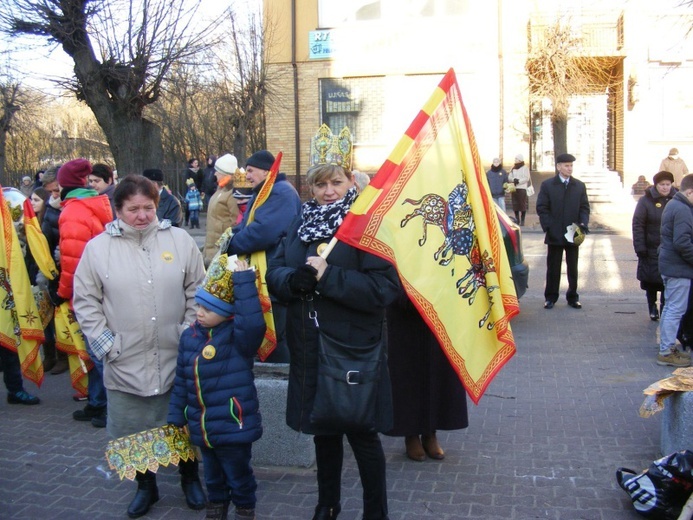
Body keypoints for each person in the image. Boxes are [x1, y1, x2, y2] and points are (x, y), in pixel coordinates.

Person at [266, 159, 400, 520]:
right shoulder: (301, 222)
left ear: (351, 182)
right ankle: (327, 506)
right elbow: (275, 269)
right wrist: (292, 281)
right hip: (310, 345)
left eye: (336, 183)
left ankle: (376, 512)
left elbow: (384, 288)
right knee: (323, 431)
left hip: (351, 349)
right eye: (320, 185)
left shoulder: (366, 225)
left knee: (361, 433)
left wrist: (330, 277)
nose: (328, 192)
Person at [72, 175, 207, 518]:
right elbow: (86, 302)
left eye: (148, 207)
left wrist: (189, 333)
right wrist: (107, 346)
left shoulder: (178, 241)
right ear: (118, 209)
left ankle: (190, 477)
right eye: (133, 209)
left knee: (180, 423)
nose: (143, 215)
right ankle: (146, 487)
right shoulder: (98, 248)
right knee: (135, 429)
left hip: (175, 354)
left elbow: (197, 289)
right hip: (125, 357)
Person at [168, 255, 266, 520]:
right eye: (199, 305)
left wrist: (244, 283)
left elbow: (254, 324)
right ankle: (216, 508)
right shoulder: (189, 337)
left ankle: (245, 510)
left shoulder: (237, 337)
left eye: (208, 310)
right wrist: (177, 416)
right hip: (203, 427)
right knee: (212, 476)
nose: (199, 313)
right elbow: (182, 381)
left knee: (238, 475)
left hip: (233, 426)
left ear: (227, 313)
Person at [51, 158, 113, 426]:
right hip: (101, 287)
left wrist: (62, 292)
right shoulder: (93, 204)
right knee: (96, 352)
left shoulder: (73, 211)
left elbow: (73, 261)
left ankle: (109, 408)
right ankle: (97, 402)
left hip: (88, 292)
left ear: (65, 185)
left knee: (98, 353)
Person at [223, 150, 302, 363]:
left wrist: (231, 244)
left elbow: (264, 231)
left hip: (274, 273)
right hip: (267, 271)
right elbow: (248, 224)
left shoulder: (280, 192)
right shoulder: (267, 190)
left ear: (266, 170)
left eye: (250, 170)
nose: (247, 176)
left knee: (277, 334)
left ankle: (280, 379)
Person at [385, 293, 468, 462]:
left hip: (439, 306)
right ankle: (411, 433)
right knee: (409, 371)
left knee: (437, 369)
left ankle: (430, 431)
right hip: (406, 309)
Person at [536, 153, 590, 310]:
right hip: (555, 232)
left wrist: (582, 224)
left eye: (571, 166)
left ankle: (573, 296)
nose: (569, 168)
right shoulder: (548, 185)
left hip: (574, 231)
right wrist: (549, 226)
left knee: (573, 266)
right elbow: (542, 208)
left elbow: (584, 207)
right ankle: (550, 297)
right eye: (566, 165)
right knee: (553, 267)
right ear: (558, 167)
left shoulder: (579, 186)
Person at [656, 173, 693, 367]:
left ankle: (666, 347)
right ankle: (666, 351)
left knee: (671, 308)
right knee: (675, 310)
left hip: (672, 265)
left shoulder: (675, 204)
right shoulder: (683, 209)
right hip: (678, 268)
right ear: (689, 191)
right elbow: (682, 243)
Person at [632, 171, 676, 321]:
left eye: (668, 185)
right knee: (651, 281)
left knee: (667, 281)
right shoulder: (646, 201)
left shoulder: (676, 200)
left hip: (670, 249)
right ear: (656, 185)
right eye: (662, 185)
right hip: (650, 248)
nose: (665, 188)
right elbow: (638, 225)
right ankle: (652, 306)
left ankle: (664, 307)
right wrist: (640, 247)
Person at [39, 169, 69, 376]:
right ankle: (53, 354)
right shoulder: (50, 209)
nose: (54, 195)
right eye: (51, 192)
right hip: (53, 266)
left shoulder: (70, 208)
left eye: (57, 191)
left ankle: (65, 355)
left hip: (66, 266)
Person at [203, 154, 241, 266]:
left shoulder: (233, 194)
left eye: (217, 171)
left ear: (225, 173)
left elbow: (235, 223)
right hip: (211, 249)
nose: (214, 174)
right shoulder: (220, 189)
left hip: (221, 252)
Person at [508, 154, 531, 225]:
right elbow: (509, 177)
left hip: (522, 188)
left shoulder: (525, 168)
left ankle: (523, 219)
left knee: (522, 204)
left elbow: (527, 178)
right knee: (515, 204)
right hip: (514, 188)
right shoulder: (513, 168)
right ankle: (517, 219)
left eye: (516, 159)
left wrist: (519, 181)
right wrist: (513, 179)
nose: (515, 160)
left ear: (520, 159)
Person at [183, 158, 204, 225]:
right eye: (195, 163)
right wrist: (190, 187)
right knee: (188, 206)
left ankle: (196, 221)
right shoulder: (188, 171)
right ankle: (187, 220)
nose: (196, 164)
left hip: (198, 189)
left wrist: (201, 190)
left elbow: (202, 180)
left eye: (197, 163)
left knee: (197, 205)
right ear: (191, 164)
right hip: (190, 190)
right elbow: (186, 180)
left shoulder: (200, 171)